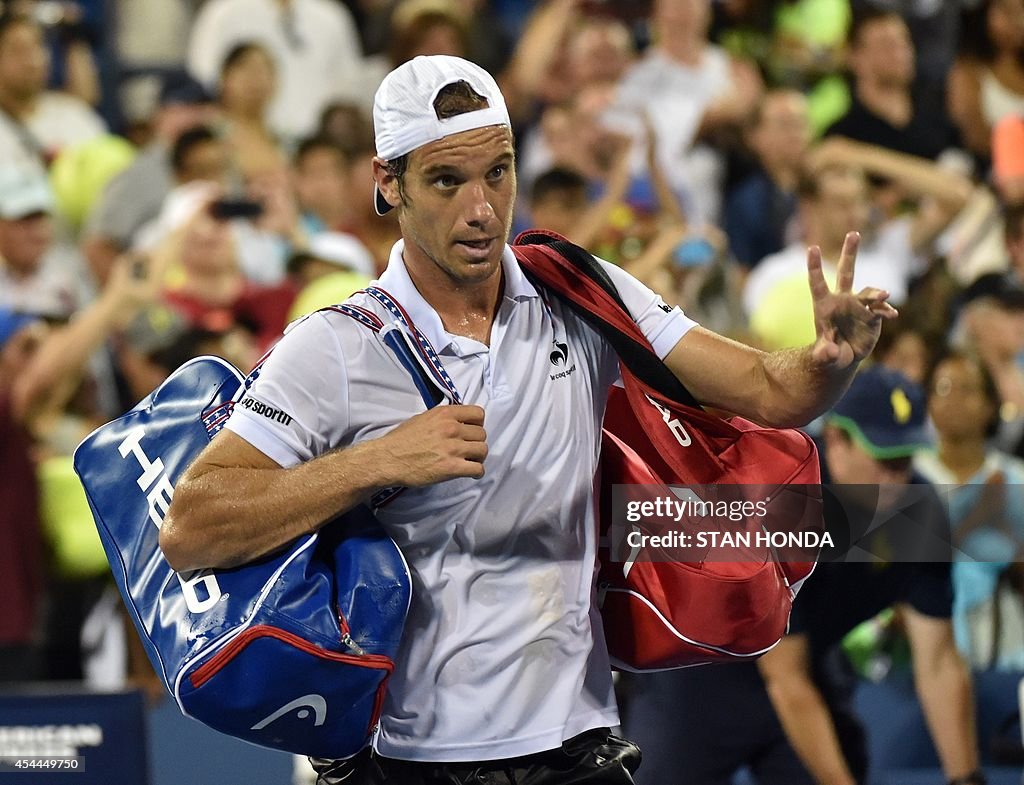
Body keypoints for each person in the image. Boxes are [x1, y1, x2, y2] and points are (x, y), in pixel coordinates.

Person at [160, 55, 896, 785]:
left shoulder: (578, 290)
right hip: (406, 761)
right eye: (447, 181)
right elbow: (191, 527)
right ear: (390, 184)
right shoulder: (334, 346)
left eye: (498, 172)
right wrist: (377, 461)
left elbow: (769, 391)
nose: (481, 208)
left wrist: (829, 359)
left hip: (577, 746)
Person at [621, 366, 981, 785]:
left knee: (846, 757)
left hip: (808, 662)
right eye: (882, 459)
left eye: (904, 460)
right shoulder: (786, 497)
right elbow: (784, 679)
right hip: (702, 677)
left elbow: (937, 662)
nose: (895, 478)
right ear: (836, 441)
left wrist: (966, 778)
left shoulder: (919, 514)